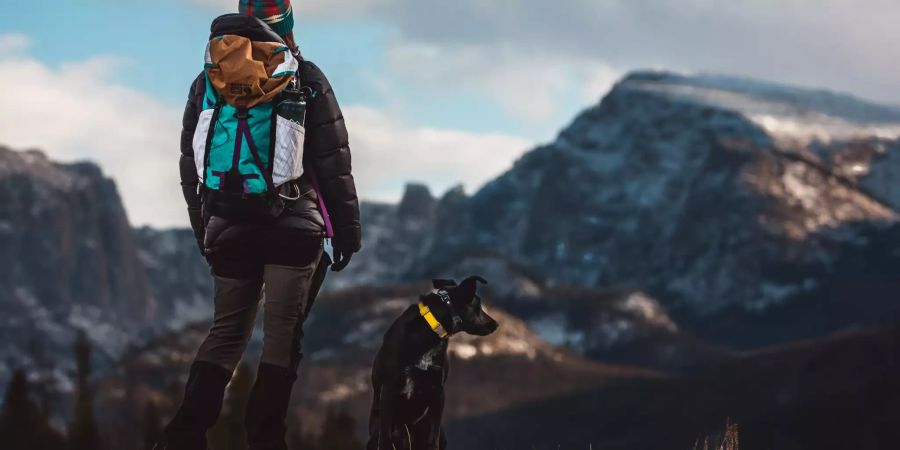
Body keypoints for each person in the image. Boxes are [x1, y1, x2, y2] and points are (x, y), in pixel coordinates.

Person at [159, 1, 361, 449]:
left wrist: (203, 230)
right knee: (281, 337)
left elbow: (191, 162)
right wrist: (348, 232)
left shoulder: (208, 79)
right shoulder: (305, 77)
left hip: (228, 224)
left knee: (227, 334)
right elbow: (333, 162)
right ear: (286, 25)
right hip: (294, 227)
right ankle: (265, 441)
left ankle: (182, 438)